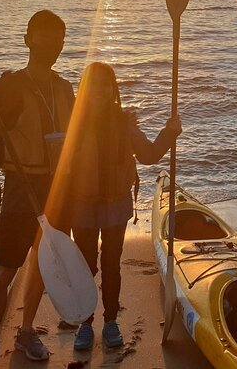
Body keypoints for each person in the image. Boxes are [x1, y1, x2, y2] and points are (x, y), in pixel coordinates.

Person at [0, 10, 75, 367]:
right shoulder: (9, 86)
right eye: (44, 37)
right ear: (28, 40)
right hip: (21, 188)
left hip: (56, 189)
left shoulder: (64, 87)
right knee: (6, 268)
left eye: (58, 38)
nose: (52, 45)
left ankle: (25, 331)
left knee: (43, 264)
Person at [68, 62, 181, 351]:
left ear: (112, 89)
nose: (99, 90)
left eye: (105, 84)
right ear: (84, 89)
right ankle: (84, 321)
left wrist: (169, 133)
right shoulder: (72, 122)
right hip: (82, 205)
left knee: (111, 265)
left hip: (115, 205)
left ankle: (109, 321)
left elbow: (149, 154)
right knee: (85, 266)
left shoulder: (124, 121)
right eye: (93, 84)